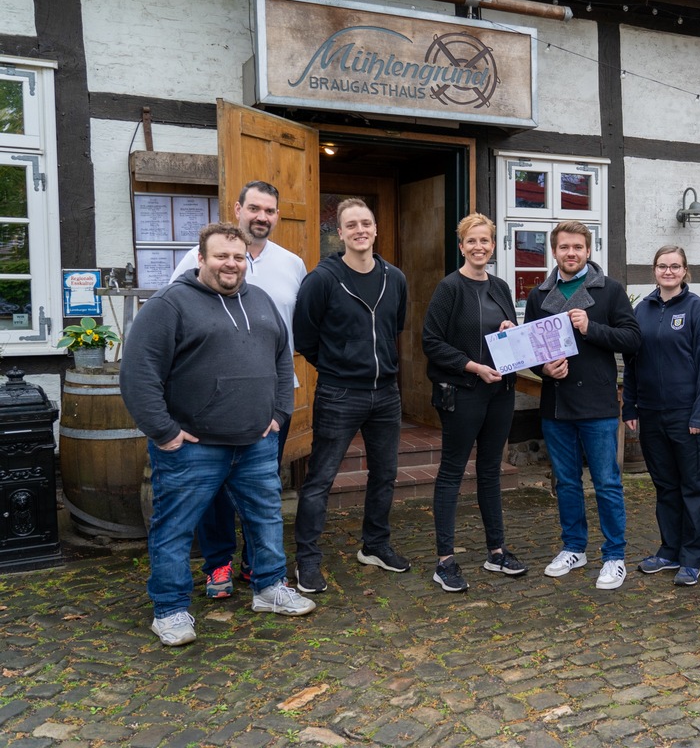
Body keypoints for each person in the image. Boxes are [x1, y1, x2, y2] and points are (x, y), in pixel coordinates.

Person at [120, 222, 315, 647]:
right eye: (221, 256)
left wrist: (280, 413)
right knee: (173, 529)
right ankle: (170, 610)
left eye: (238, 256)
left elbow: (284, 360)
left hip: (256, 443)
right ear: (202, 257)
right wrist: (164, 432)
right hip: (192, 448)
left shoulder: (260, 301)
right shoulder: (170, 305)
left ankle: (269, 588)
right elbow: (138, 373)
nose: (231, 263)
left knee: (266, 518)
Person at [170, 180, 306, 600]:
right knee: (214, 493)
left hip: (268, 401)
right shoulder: (194, 261)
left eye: (269, 210)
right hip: (212, 404)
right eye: (254, 209)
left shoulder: (293, 264)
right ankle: (218, 564)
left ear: (277, 216)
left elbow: (296, 330)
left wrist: (282, 405)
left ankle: (260, 567)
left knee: (262, 489)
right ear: (238, 208)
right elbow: (171, 317)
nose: (261, 217)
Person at [292, 198, 409, 595]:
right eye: (351, 225)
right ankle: (306, 561)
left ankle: (374, 545)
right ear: (338, 233)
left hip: (386, 393)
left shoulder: (396, 278)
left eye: (366, 223)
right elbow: (305, 338)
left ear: (376, 230)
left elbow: (396, 328)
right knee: (321, 478)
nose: (360, 230)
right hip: (341, 393)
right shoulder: (322, 279)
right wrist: (338, 366)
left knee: (385, 474)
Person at [525, 220, 641, 590]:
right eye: (564, 247)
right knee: (567, 482)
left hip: (598, 403)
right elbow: (529, 350)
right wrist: (544, 369)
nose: (570, 253)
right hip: (556, 404)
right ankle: (574, 547)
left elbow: (633, 339)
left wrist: (593, 328)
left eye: (577, 247)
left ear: (588, 251)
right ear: (554, 252)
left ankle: (614, 555)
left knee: (607, 482)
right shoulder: (539, 295)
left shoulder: (610, 291)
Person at [422, 213, 527, 593]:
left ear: (493, 245)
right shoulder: (449, 288)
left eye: (485, 240)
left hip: (499, 392)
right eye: (472, 241)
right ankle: (444, 560)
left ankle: (496, 551)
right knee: (452, 472)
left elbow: (508, 335)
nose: (479, 247)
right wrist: (473, 367)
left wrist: (509, 331)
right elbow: (431, 342)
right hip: (463, 391)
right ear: (461, 245)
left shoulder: (499, 287)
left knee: (490, 471)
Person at [622, 246, 700, 587]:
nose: (668, 271)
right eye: (662, 266)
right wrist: (630, 406)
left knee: (693, 488)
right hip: (650, 414)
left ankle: (692, 558)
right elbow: (632, 363)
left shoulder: (698, 310)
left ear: (684, 271)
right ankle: (669, 550)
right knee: (665, 486)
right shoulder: (642, 310)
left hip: (688, 416)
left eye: (674, 266)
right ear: (654, 270)